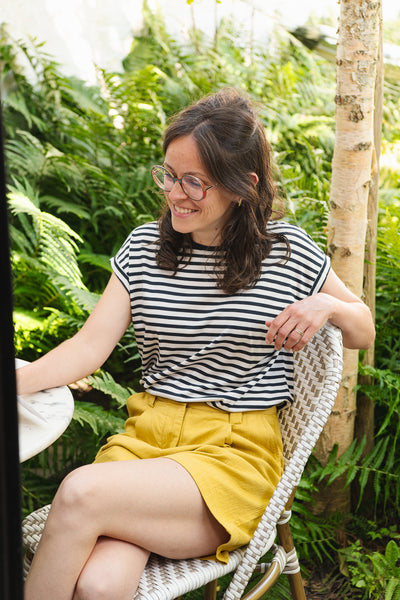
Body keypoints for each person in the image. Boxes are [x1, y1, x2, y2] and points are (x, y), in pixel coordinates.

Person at [19, 87, 375, 600]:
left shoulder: (287, 251)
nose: (175, 193)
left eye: (194, 182)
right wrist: (18, 381)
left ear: (242, 186)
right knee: (99, 585)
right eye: (169, 174)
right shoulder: (145, 247)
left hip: (232, 456)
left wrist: (329, 306)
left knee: (77, 493)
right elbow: (88, 348)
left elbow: (362, 329)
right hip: (146, 442)